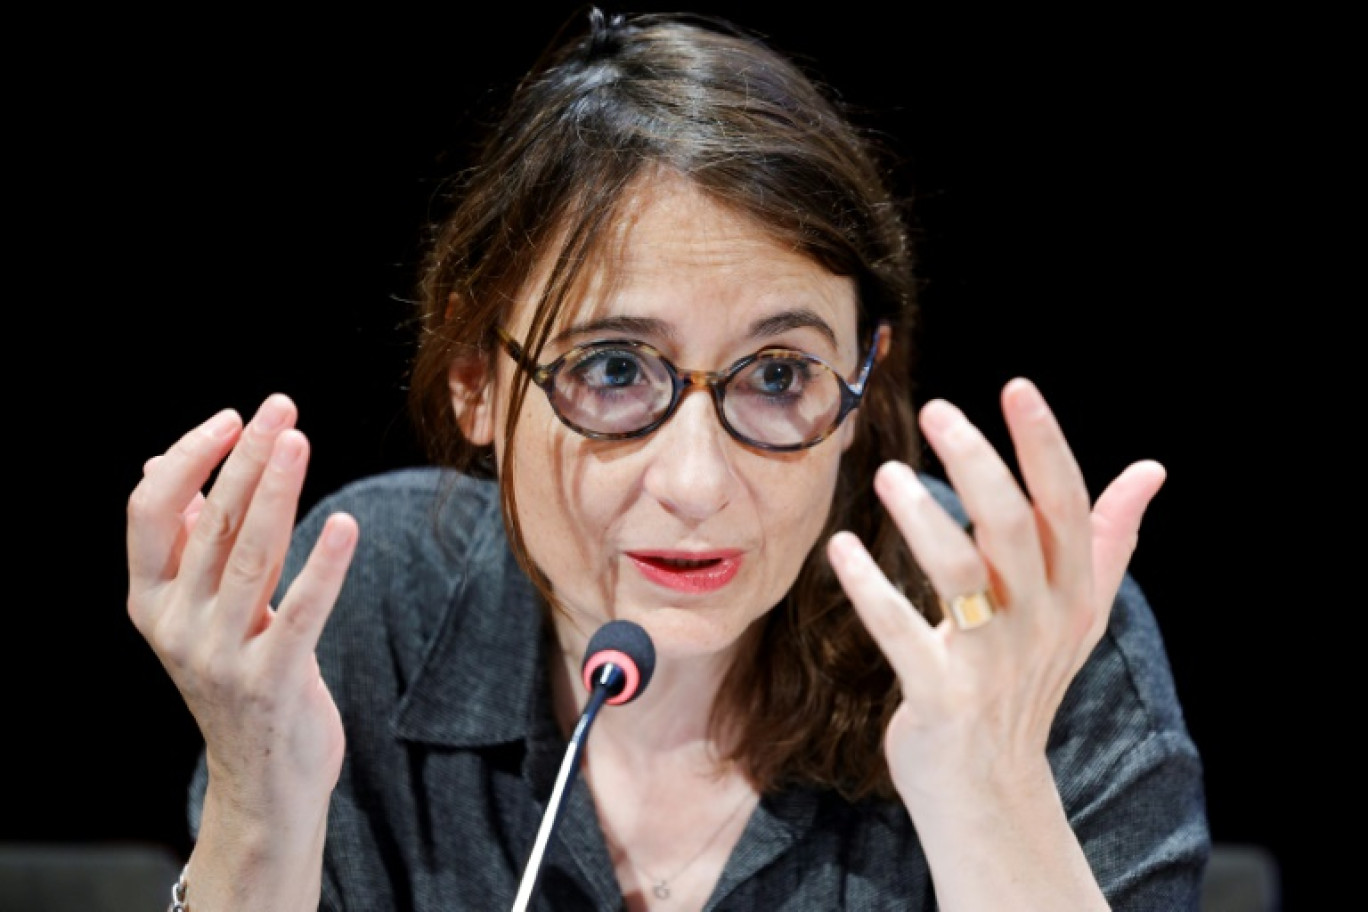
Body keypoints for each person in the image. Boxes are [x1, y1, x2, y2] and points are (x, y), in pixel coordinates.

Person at [125, 7, 1209, 911]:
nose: (695, 484)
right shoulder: (365, 606)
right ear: (476, 379)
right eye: (611, 372)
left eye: (779, 376)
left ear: (863, 377)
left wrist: (994, 794)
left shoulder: (1016, 635)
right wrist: (259, 805)